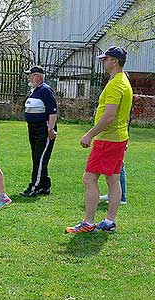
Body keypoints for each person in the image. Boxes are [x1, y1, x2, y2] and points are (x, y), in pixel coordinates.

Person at [65, 46, 133, 234]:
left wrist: (90, 134)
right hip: (116, 137)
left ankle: (88, 223)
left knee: (89, 178)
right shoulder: (123, 80)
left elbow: (109, 115)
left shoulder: (116, 84)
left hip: (108, 139)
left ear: (115, 61)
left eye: (106, 59)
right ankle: (109, 221)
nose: (103, 61)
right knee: (113, 179)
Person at [19, 66, 58, 197]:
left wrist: (50, 128)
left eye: (31, 75)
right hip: (33, 128)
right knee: (37, 157)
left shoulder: (46, 90)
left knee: (39, 158)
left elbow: (52, 111)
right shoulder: (33, 91)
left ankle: (34, 186)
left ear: (39, 76)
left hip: (44, 128)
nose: (29, 78)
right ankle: (44, 185)